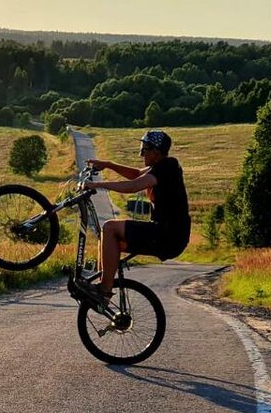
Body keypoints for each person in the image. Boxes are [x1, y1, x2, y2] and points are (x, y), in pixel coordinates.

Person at [78, 130, 190, 307]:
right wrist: (108, 164)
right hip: (167, 234)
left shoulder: (167, 168)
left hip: (167, 234)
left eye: (145, 149)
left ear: (156, 152)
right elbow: (136, 174)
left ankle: (104, 290)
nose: (141, 153)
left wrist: (96, 185)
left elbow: (133, 185)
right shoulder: (160, 167)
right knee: (108, 239)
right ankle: (102, 293)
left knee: (109, 227)